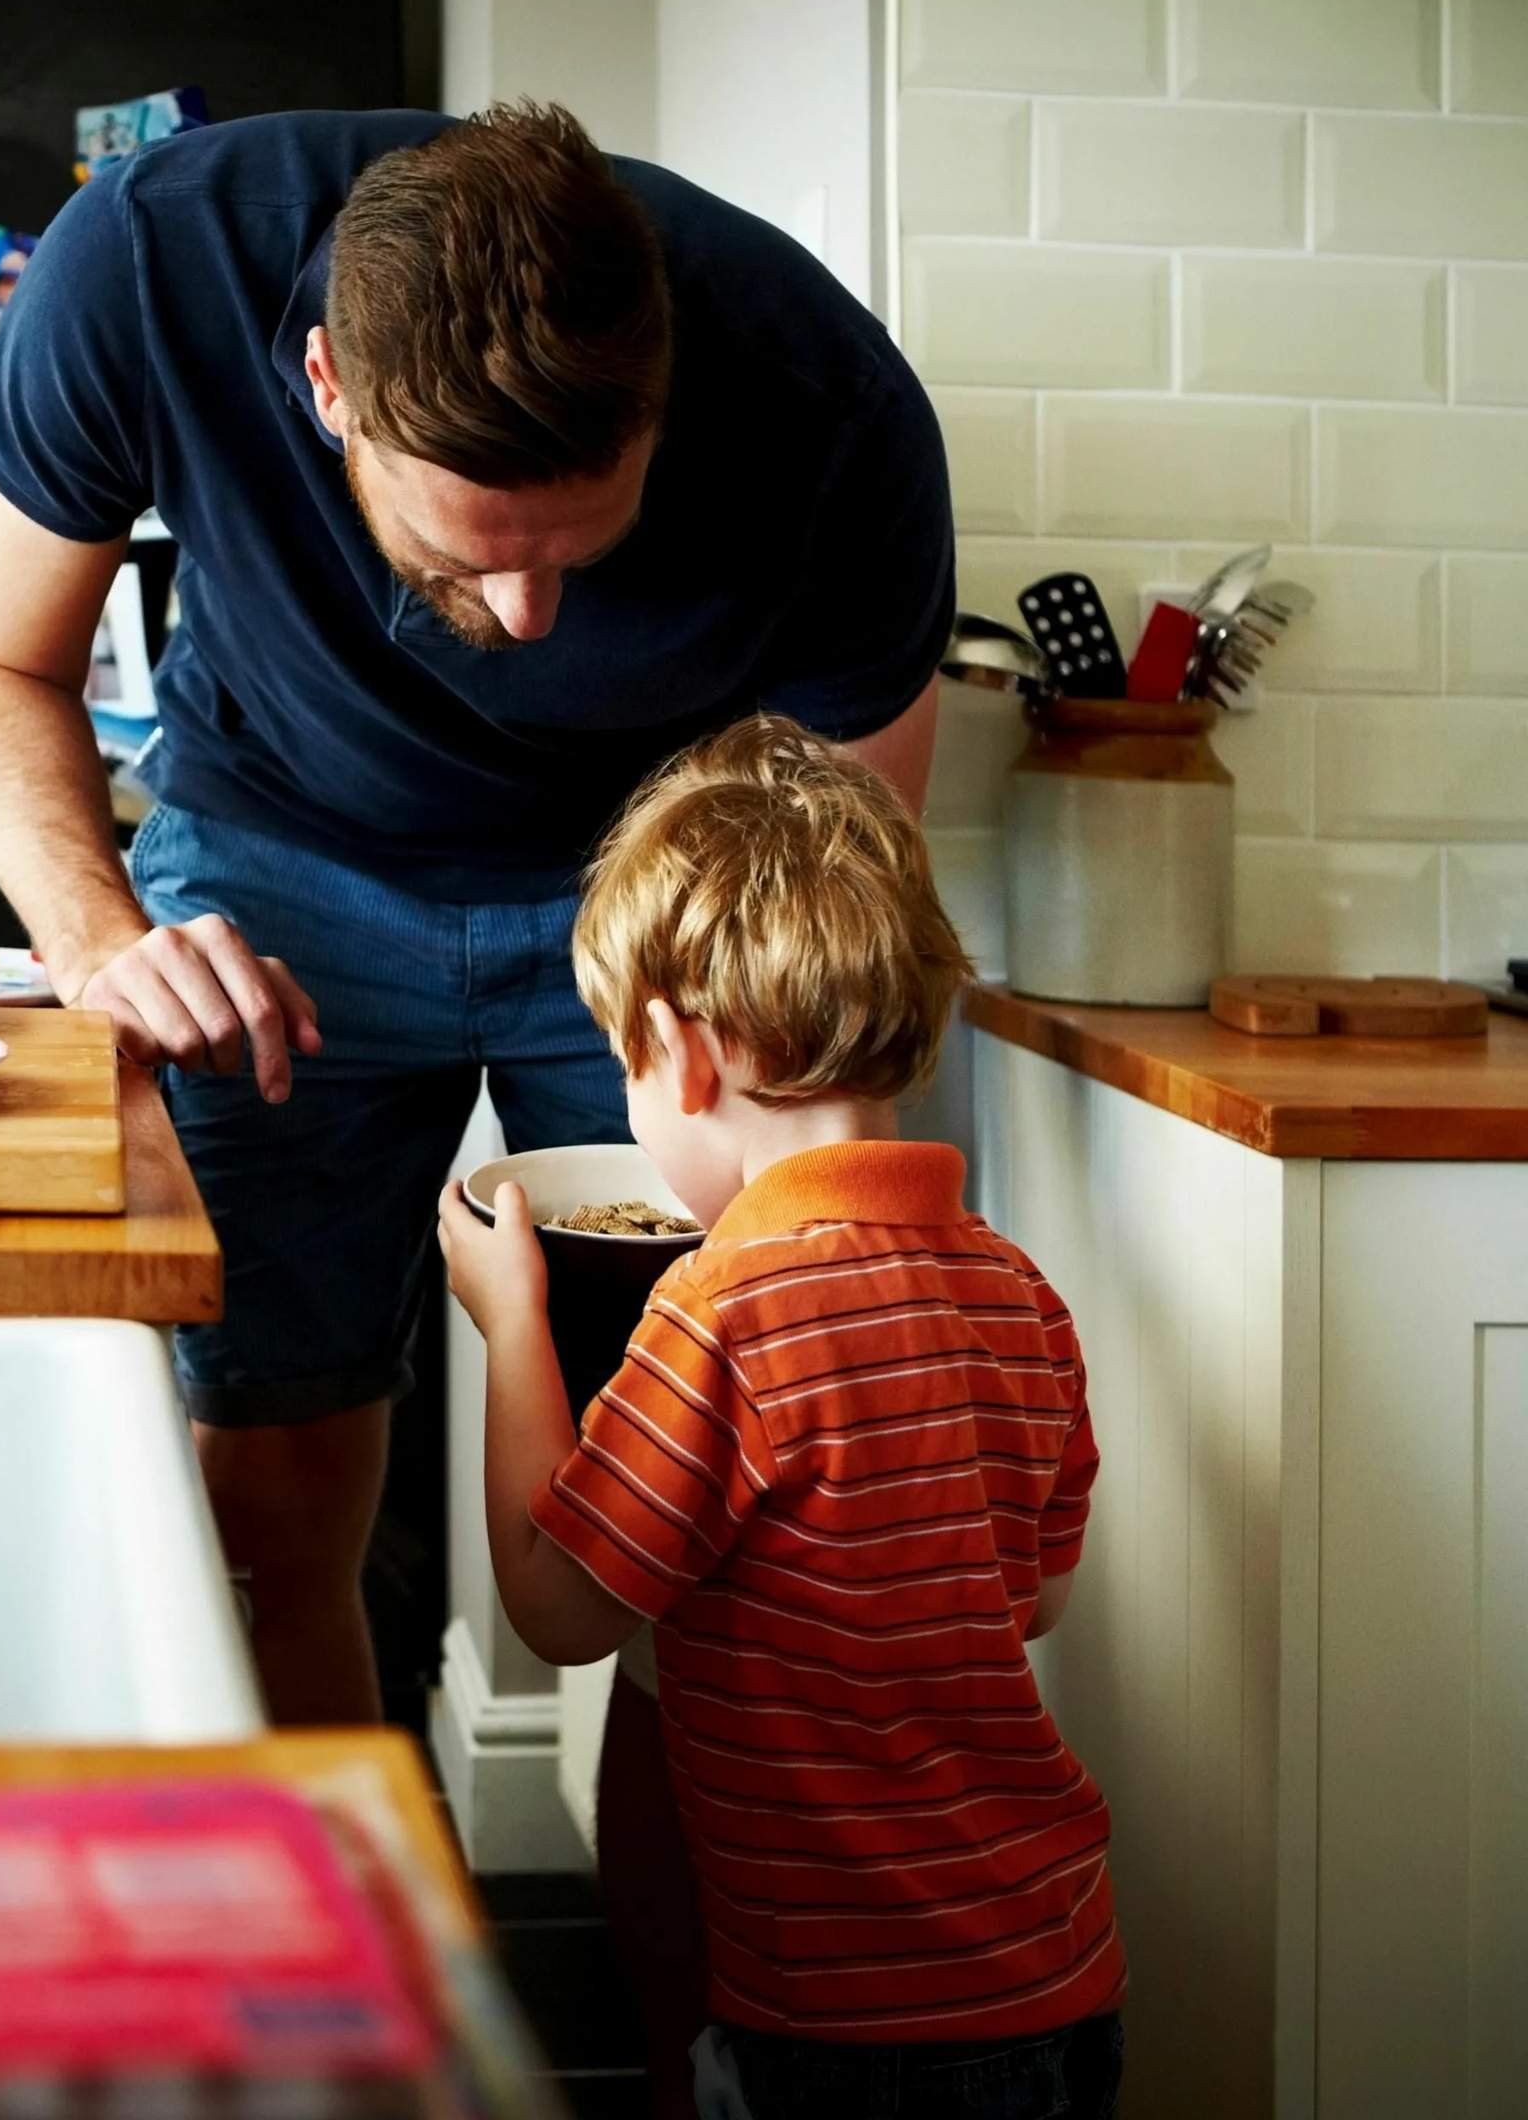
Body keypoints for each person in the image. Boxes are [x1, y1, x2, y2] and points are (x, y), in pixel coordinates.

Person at [0, 103, 953, 1729]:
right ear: (325, 389)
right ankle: (359, 1956)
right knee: (265, 1497)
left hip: (648, 925)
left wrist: (802, 1161)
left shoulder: (825, 398)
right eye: (467, 560)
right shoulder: (144, 261)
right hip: (272, 888)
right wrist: (104, 942)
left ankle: (698, 1989)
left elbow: (833, 860)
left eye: (576, 550)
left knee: (719, 1537)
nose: (528, 624)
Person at [437, 715, 1125, 2120]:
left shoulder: (722, 1309)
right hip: (1058, 1971)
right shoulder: (1022, 1293)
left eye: (625, 1070)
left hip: (842, 2021)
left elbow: (562, 1613)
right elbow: (1036, 1596)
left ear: (679, 1057)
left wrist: (515, 1325)